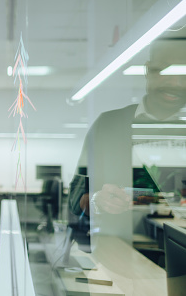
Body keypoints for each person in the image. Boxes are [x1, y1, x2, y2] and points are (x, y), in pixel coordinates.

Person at [68, 39, 186, 247]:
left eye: (183, 73)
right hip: (121, 254)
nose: (176, 83)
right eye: (165, 71)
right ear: (148, 71)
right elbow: (75, 200)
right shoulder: (108, 126)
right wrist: (97, 200)